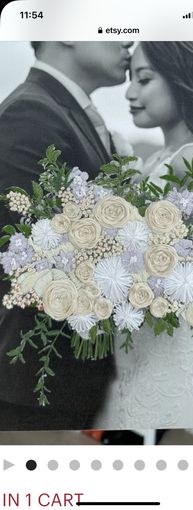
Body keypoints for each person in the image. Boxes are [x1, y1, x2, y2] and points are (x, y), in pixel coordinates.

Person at [94, 42, 193, 429]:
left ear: (183, 79)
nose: (129, 93)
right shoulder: (158, 159)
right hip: (145, 363)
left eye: (144, 79)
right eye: (129, 80)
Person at [0, 41, 133, 430]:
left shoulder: (58, 110)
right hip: (39, 384)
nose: (125, 38)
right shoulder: (30, 113)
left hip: (68, 381)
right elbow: (31, 258)